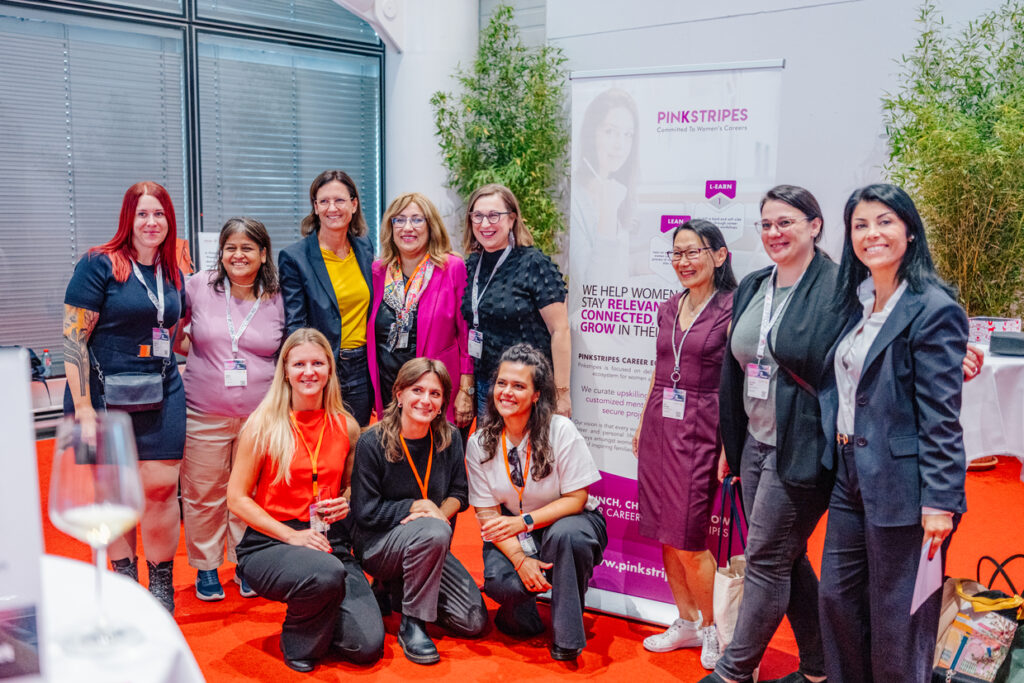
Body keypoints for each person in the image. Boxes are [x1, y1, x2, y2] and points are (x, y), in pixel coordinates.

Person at [817, 184, 967, 682]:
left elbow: (942, 416)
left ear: (909, 230)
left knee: (899, 617)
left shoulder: (933, 307)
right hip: (849, 473)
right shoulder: (856, 302)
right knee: (837, 600)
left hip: (906, 482)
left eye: (884, 221)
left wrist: (940, 500)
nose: (872, 234)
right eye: (860, 225)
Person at [701, 185, 840, 683]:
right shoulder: (757, 284)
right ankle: (821, 668)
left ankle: (732, 672)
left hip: (802, 445)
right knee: (785, 555)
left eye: (786, 222)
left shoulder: (838, 288)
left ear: (814, 226)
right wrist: (730, 441)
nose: (774, 233)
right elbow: (735, 370)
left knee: (764, 558)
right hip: (755, 443)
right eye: (765, 224)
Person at [227, 328, 384, 673]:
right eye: (299, 364)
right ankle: (298, 638)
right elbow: (236, 499)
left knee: (367, 647)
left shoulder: (346, 425)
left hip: (329, 540)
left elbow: (349, 487)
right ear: (285, 371)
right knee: (326, 573)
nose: (308, 372)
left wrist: (346, 500)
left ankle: (320, 607)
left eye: (317, 363)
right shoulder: (263, 425)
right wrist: (292, 536)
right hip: (271, 542)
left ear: (330, 369)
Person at [62, 181, 186, 613]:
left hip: (162, 389)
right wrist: (83, 409)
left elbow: (172, 332)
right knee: (112, 494)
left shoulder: (171, 271)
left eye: (159, 214)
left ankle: (161, 586)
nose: (151, 222)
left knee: (161, 489)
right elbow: (73, 339)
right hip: (100, 396)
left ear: (169, 220)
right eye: (142, 214)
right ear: (128, 219)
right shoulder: (98, 263)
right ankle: (125, 584)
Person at [632, 219, 736, 669]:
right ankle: (687, 620)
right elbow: (659, 371)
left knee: (690, 538)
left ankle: (714, 630)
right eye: (677, 253)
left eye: (694, 252)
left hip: (703, 426)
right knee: (665, 533)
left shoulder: (732, 308)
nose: (684, 261)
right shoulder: (669, 307)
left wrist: (730, 443)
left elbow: (736, 382)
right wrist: (643, 423)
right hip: (661, 422)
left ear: (720, 255)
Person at [466, 343, 607, 662]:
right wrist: (519, 559)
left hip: (568, 521)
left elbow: (577, 498)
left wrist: (525, 522)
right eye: (502, 383)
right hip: (513, 530)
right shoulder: (479, 442)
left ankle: (567, 637)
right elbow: (488, 516)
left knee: (568, 537)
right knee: (505, 590)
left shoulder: (560, 430)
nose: (506, 392)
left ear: (536, 395)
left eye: (518, 386)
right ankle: (520, 611)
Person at [350, 358, 487, 665]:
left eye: (435, 394)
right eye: (417, 390)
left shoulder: (450, 438)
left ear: (442, 403)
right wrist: (415, 507)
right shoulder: (372, 442)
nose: (426, 400)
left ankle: (399, 588)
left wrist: (437, 513)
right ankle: (412, 623)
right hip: (379, 545)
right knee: (433, 531)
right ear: (399, 394)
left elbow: (459, 494)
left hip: (429, 542)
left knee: (473, 621)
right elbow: (365, 512)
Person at [177, 217, 285, 601]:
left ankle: (247, 562)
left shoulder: (278, 296)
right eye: (231, 248)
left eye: (247, 248)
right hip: (203, 411)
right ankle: (207, 566)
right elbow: (173, 335)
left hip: (260, 416)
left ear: (263, 254)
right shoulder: (198, 286)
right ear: (220, 252)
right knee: (203, 491)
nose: (238, 255)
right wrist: (208, 357)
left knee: (250, 492)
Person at [460, 184, 572, 417]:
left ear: (512, 219)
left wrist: (562, 394)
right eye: (477, 216)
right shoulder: (472, 265)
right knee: (490, 441)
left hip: (529, 387)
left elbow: (560, 330)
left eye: (494, 215)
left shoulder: (534, 263)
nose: (485, 224)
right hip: (487, 385)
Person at [367, 193, 475, 430]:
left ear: (431, 225)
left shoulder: (451, 268)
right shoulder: (378, 271)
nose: (407, 227)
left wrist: (467, 389)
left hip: (434, 394)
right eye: (399, 220)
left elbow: (466, 334)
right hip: (390, 391)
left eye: (417, 219)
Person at [279, 170, 374, 426]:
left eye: (340, 200)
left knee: (357, 440)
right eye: (324, 201)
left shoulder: (364, 247)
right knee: (321, 441)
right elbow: (295, 324)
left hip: (363, 368)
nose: (332, 208)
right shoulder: (295, 258)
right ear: (315, 207)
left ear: (354, 204)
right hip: (322, 368)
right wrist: (306, 370)